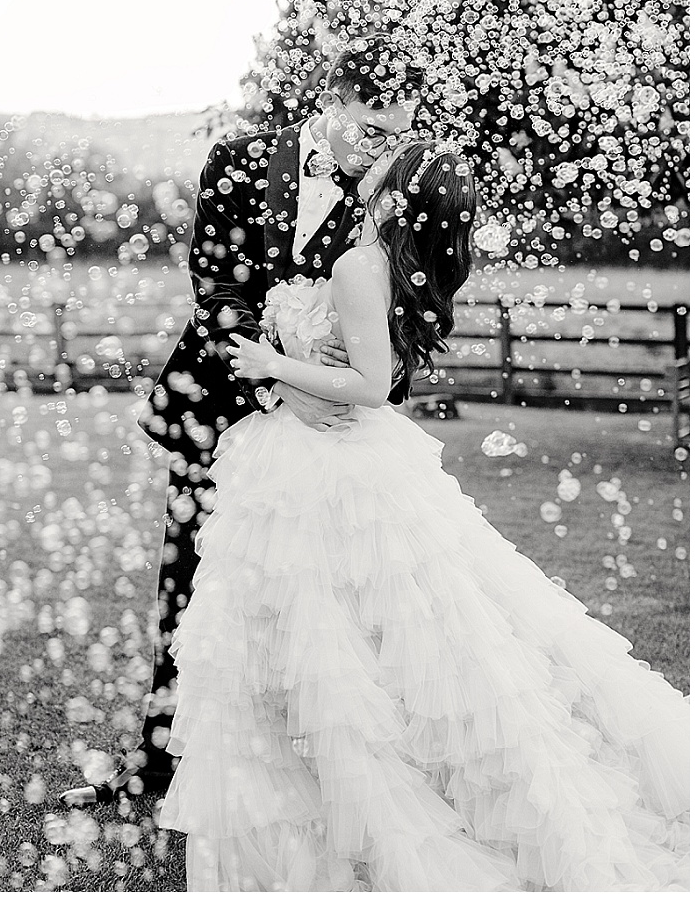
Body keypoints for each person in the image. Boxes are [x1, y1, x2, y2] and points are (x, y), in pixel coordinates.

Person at [155, 142, 690, 892]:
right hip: (345, 452)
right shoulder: (388, 263)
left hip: (322, 461)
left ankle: (349, 797)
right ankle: (347, 777)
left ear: (396, 192)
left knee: (326, 630)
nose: (375, 160)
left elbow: (372, 383)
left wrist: (273, 366)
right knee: (383, 630)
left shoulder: (358, 265)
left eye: (389, 161)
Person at [59, 34, 422, 806]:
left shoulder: (389, 193)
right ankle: (157, 765)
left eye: (399, 134)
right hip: (217, 412)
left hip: (321, 433)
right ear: (333, 101)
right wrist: (274, 383)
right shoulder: (239, 159)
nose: (384, 148)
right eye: (373, 128)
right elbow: (216, 287)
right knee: (189, 584)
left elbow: (403, 306)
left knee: (322, 595)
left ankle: (320, 771)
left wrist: (343, 382)